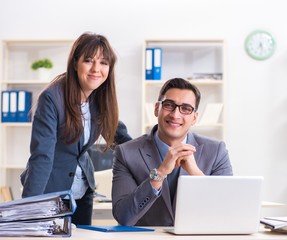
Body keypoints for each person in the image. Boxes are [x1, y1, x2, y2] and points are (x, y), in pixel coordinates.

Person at [20, 32, 132, 225]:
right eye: (88, 60)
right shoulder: (52, 98)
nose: (96, 69)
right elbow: (42, 156)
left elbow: (121, 136)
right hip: (50, 194)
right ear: (75, 63)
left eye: (104, 63)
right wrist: (28, 210)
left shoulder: (99, 98)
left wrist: (156, 152)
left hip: (82, 192)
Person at [112, 78, 232, 226]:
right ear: (157, 109)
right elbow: (124, 217)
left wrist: (196, 174)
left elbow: (228, 211)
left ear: (194, 117)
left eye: (186, 109)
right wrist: (159, 174)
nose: (175, 115)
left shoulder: (216, 151)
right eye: (169, 105)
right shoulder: (126, 153)